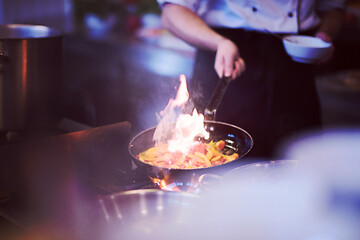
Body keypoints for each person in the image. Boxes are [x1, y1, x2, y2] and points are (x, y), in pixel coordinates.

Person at [156, 0, 345, 158]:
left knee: (301, 163)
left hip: (295, 63)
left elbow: (333, 8)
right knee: (218, 166)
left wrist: (324, 36)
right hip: (226, 55)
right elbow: (173, 11)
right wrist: (219, 43)